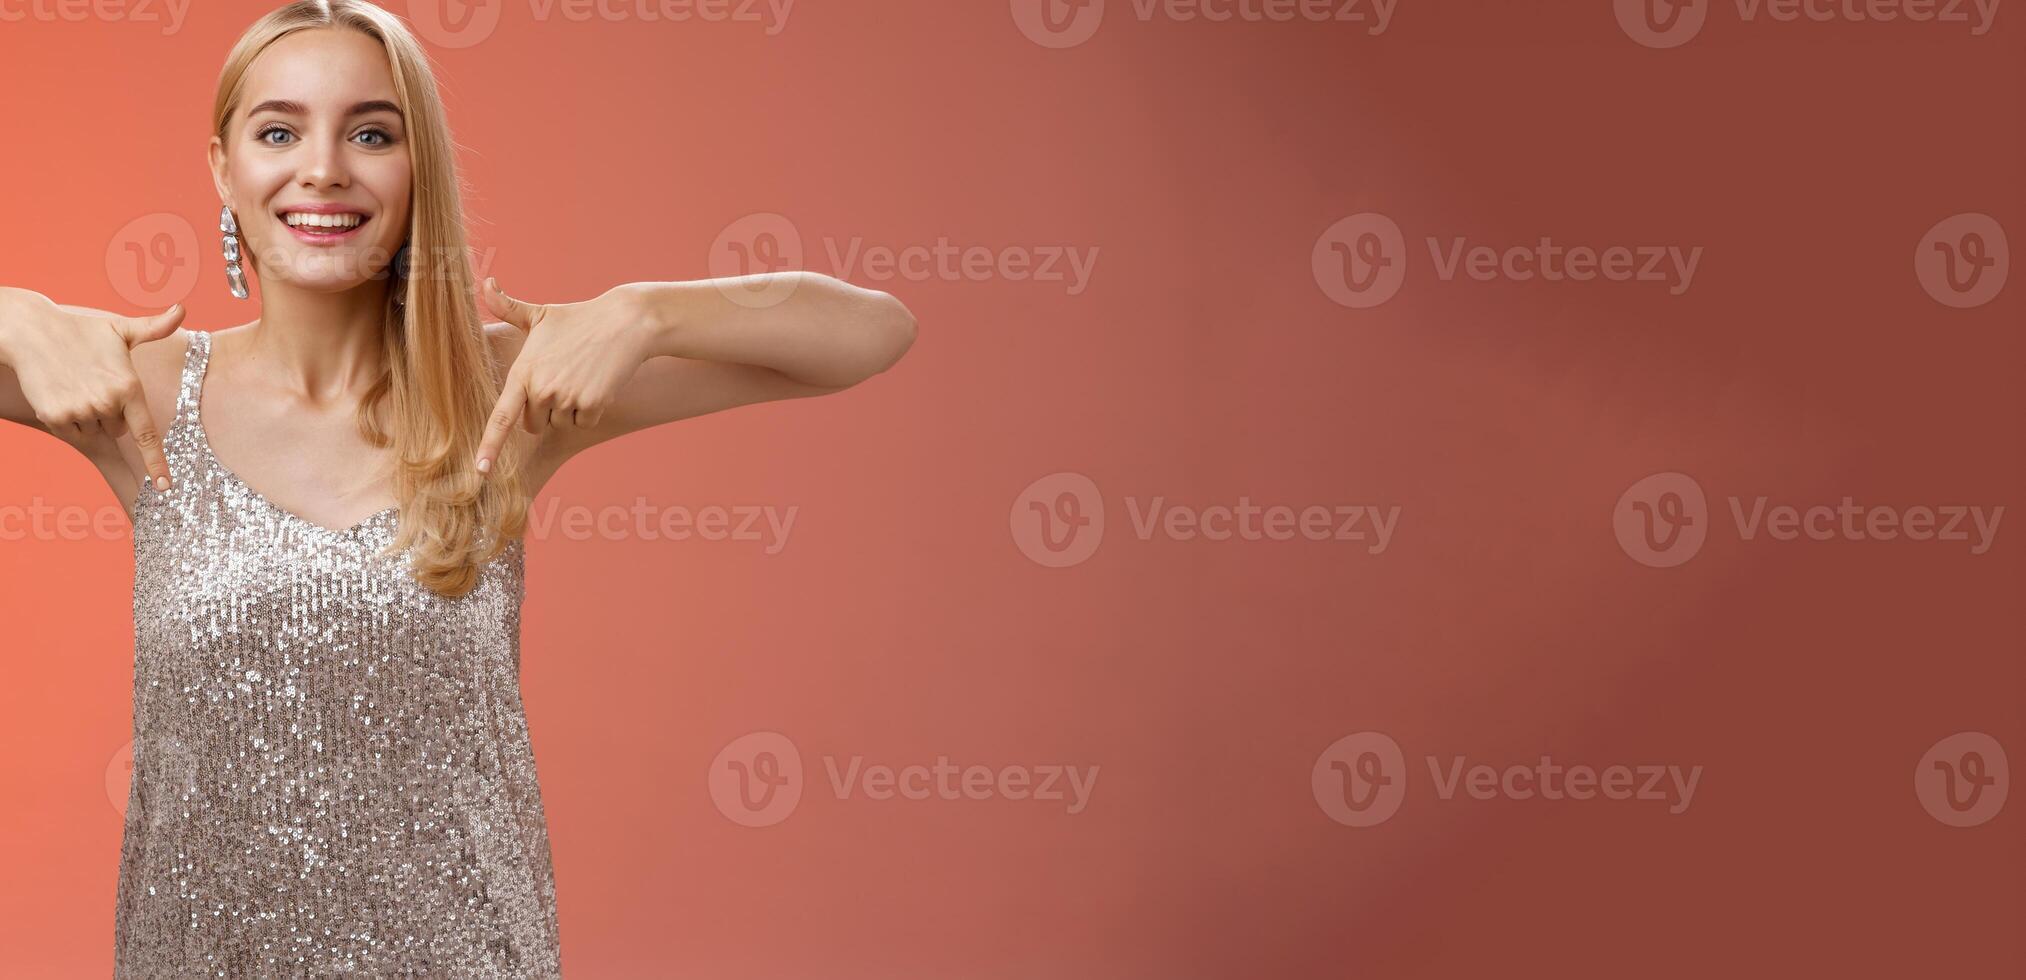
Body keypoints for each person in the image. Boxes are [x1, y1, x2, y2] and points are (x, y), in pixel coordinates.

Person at [0, 1, 916, 975]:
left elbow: (869, 332)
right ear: (224, 169)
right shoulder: (138, 391)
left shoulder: (504, 392)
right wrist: (13, 310)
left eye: (370, 133)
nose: (323, 168)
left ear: (417, 167)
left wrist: (645, 312)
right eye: (279, 131)